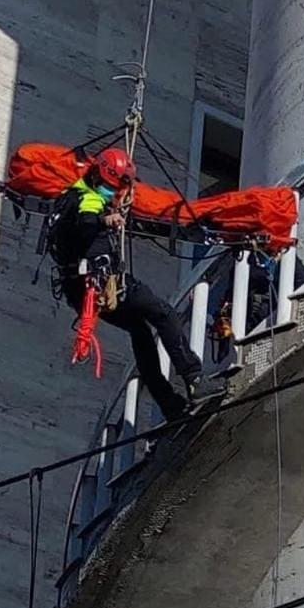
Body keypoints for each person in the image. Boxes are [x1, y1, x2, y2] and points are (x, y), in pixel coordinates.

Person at [51, 147, 223, 421]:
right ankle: (195, 380)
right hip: (103, 284)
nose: (113, 193)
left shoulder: (68, 197)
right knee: (163, 314)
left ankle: (169, 404)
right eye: (111, 187)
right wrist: (105, 220)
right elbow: (86, 222)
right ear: (98, 177)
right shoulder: (87, 198)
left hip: (81, 290)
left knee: (140, 331)